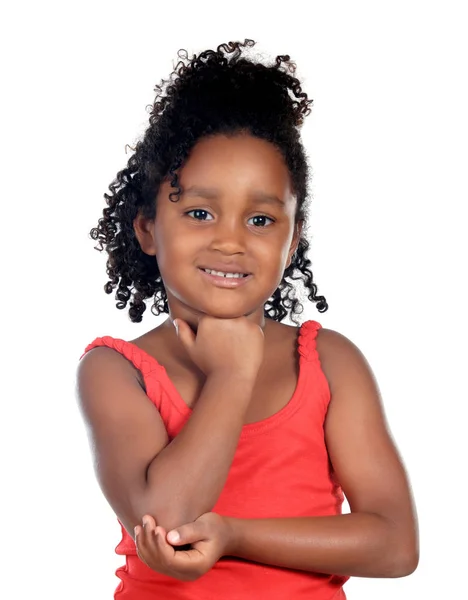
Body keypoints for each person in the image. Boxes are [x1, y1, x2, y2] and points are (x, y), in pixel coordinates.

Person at [76, 39, 419, 599]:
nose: (231, 241)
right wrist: (232, 374)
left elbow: (396, 544)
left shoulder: (328, 362)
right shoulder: (118, 371)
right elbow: (165, 520)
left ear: (293, 241)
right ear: (146, 228)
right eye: (199, 212)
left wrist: (234, 535)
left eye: (260, 218)